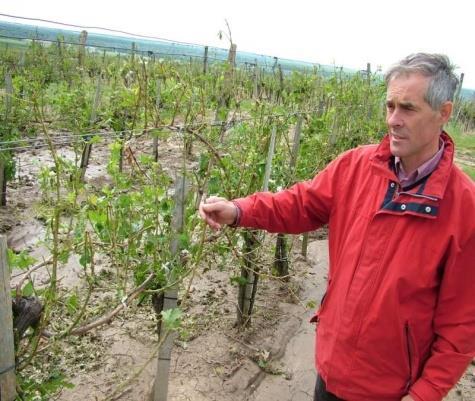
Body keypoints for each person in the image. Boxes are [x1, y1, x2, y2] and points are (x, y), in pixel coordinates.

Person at [198, 53, 475, 401]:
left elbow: (461, 326)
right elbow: (300, 204)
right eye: (389, 105)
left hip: (390, 390)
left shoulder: (464, 208)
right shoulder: (357, 166)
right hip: (331, 369)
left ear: (444, 113)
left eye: (408, 108)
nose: (393, 120)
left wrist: (424, 394)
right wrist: (239, 210)